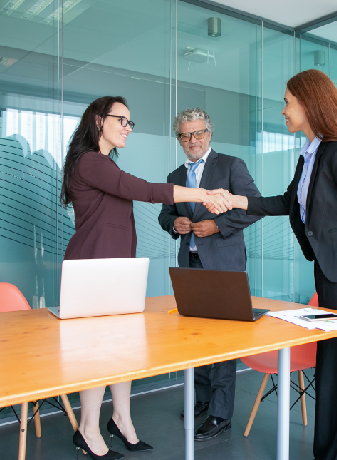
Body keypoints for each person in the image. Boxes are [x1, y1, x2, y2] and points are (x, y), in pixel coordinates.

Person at [209, 70, 337, 460]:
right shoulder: (311, 155)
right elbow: (287, 202)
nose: (282, 110)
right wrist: (237, 201)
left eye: (287, 101)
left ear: (308, 103)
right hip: (331, 272)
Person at [60, 97, 229, 460]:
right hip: (93, 269)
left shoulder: (103, 163)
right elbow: (144, 190)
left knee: (122, 349)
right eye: (121, 120)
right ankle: (87, 430)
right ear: (98, 120)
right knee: (98, 353)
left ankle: (121, 418)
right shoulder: (90, 162)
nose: (127, 127)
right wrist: (201, 193)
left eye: (129, 122)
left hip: (117, 269)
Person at [158, 108, 261, 441]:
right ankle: (202, 399)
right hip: (190, 268)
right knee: (196, 338)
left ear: (209, 134)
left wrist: (218, 224)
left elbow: (253, 205)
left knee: (224, 341)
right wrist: (174, 223)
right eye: (186, 135)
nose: (192, 140)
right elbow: (165, 213)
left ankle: (220, 412)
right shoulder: (175, 174)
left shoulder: (231, 166)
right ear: (179, 139)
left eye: (198, 133)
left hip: (223, 266)